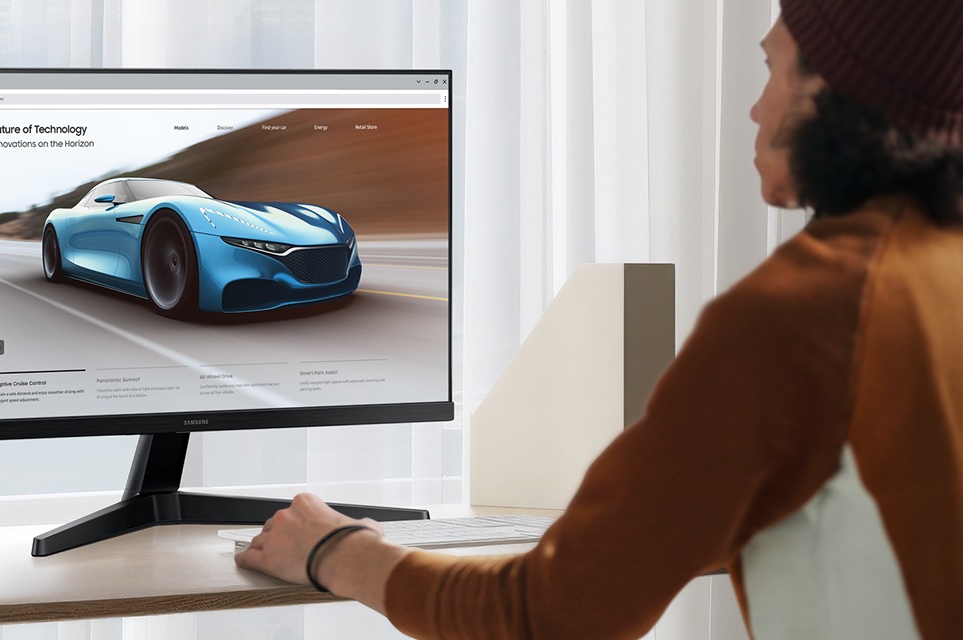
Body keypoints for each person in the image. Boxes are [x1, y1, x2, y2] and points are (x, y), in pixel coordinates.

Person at [235, 0, 963, 637]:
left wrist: (338, 551)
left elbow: (550, 613)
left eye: (772, 69)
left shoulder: (799, 316)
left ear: (834, 89)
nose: (755, 108)